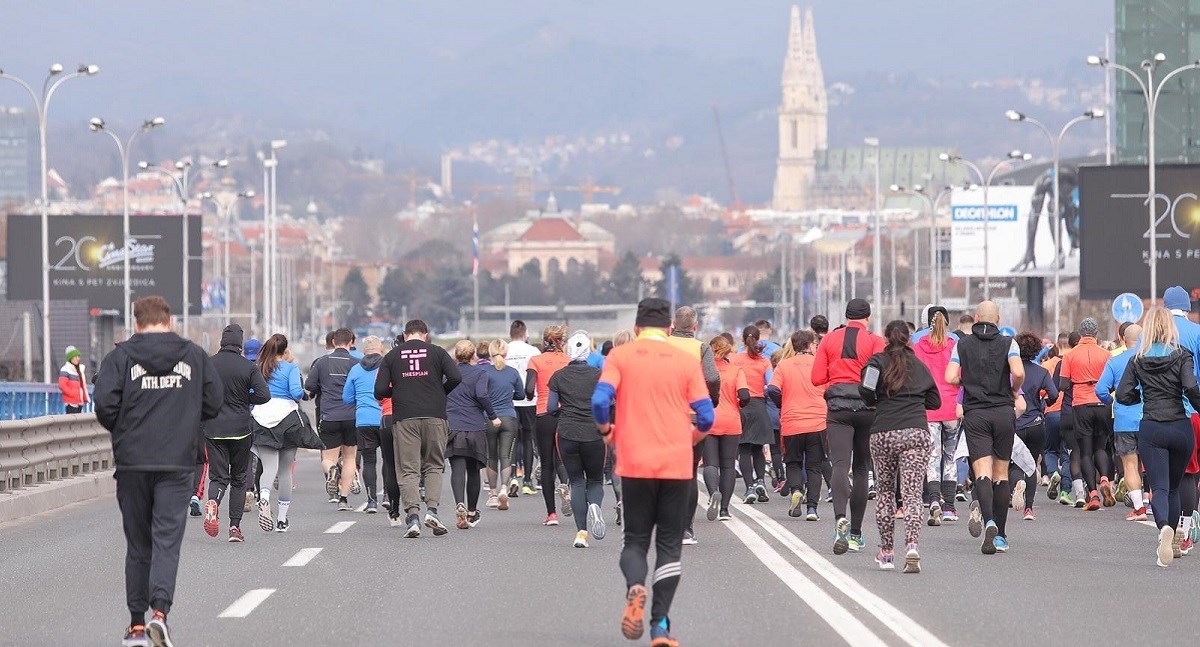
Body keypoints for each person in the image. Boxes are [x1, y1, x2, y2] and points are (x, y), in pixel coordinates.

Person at [94, 296, 223, 647]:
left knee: (138, 543)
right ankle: (160, 615)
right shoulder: (194, 356)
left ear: (137, 323)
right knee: (166, 539)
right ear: (169, 321)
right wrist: (184, 419)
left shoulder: (119, 357)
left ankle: (135, 625)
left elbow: (104, 405)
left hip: (133, 462)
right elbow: (214, 401)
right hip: (177, 461)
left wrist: (124, 431)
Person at [591, 298, 714, 647]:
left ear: (638, 327)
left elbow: (600, 402)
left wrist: (607, 433)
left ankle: (635, 587)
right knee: (670, 545)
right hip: (676, 463)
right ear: (670, 327)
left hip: (634, 461)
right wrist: (687, 439)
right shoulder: (686, 359)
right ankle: (660, 625)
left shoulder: (621, 356)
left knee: (635, 541)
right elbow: (706, 416)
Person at [1116, 307, 1200, 567]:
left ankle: (1163, 526)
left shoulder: (1137, 359)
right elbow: (1190, 386)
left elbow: (1123, 394)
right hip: (1180, 426)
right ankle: (1173, 534)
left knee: (1159, 487)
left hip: (1152, 426)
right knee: (1175, 486)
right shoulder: (1182, 355)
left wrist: (1140, 397)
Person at [860, 320, 940, 573]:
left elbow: (866, 390)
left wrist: (878, 400)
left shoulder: (875, 362)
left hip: (883, 431)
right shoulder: (920, 366)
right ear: (909, 339)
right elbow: (935, 401)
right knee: (913, 494)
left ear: (885, 338)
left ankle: (886, 552)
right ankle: (912, 547)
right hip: (916, 432)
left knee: (884, 492)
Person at [945, 301, 1024, 555]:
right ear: (998, 319)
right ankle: (1000, 535)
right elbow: (1019, 372)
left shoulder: (962, 343)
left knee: (982, 473)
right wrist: (1013, 389)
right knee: (1001, 473)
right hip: (1003, 412)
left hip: (975, 413)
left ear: (977, 318)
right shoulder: (1008, 343)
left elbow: (949, 377)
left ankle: (987, 519)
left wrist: (964, 380)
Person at [374, 319, 462, 538]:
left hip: (405, 417)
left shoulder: (392, 356)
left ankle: (412, 517)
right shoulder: (438, 352)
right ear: (425, 334)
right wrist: (440, 392)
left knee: (408, 469)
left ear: (404, 335)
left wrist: (399, 393)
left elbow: (380, 389)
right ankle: (432, 510)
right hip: (435, 415)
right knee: (433, 465)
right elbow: (456, 377)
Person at [811, 298, 885, 555]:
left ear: (845, 316)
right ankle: (855, 533)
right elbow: (881, 376)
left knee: (840, 464)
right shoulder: (876, 341)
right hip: (867, 408)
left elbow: (816, 378)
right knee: (863, 468)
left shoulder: (830, 340)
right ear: (868, 317)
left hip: (838, 408)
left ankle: (839, 520)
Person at [202, 324, 270, 542]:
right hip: (240, 428)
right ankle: (234, 528)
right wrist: (245, 398)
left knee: (218, 476)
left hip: (213, 428)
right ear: (240, 345)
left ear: (221, 342)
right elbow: (264, 395)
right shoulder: (247, 367)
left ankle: (213, 501)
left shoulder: (208, 365)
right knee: (239, 478)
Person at [666, 306, 720, 546]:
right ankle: (686, 529)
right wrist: (712, 399)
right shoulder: (701, 347)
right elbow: (713, 377)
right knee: (688, 473)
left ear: (673, 325)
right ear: (695, 326)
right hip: (692, 417)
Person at [550, 331, 606, 547]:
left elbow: (550, 407)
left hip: (567, 433)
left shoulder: (558, 376)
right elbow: (608, 403)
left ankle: (581, 533)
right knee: (595, 480)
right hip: (594, 433)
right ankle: (594, 505)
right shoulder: (599, 374)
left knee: (576, 481)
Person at [768, 330, 828, 520]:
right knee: (814, 466)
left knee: (793, 462)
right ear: (810, 345)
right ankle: (812, 509)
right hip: (817, 422)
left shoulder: (784, 366)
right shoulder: (820, 365)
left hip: (792, 421)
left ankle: (796, 490)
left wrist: (782, 403)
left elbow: (772, 389)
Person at [251, 334, 307, 534]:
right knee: (284, 471)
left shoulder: (260, 368)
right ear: (285, 350)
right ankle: (282, 520)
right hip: (287, 420)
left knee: (268, 467)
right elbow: (296, 392)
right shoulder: (291, 368)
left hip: (262, 417)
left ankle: (263, 497)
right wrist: (303, 392)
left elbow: (252, 392)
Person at [913, 307, 961, 524]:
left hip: (929, 407)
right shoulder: (955, 345)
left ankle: (933, 500)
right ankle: (950, 507)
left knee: (932, 456)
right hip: (951, 407)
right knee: (950, 456)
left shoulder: (918, 346)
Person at [1059, 317, 1113, 511]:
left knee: (1085, 452)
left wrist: (1077, 382)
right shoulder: (1107, 355)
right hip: (1103, 403)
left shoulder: (1070, 355)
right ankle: (1105, 479)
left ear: (1081, 334)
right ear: (1096, 333)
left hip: (1081, 403)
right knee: (1101, 448)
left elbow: (1063, 385)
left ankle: (1093, 494)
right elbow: (1112, 382)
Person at [444, 339, 498, 530]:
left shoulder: (447, 375)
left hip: (453, 426)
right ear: (473, 354)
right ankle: (472, 512)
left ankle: (459, 503)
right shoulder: (480, 373)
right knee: (474, 470)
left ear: (456, 356)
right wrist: (493, 416)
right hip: (475, 426)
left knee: (457, 468)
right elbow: (482, 395)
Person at [306, 327, 361, 511]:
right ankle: (344, 500)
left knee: (328, 457)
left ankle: (331, 470)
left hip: (329, 415)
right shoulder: (356, 363)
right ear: (351, 343)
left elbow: (310, 385)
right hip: (351, 415)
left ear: (334, 342)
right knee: (350, 457)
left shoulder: (322, 363)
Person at [1097, 324, 1147, 521]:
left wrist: (1114, 402)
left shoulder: (1115, 361)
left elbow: (1101, 390)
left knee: (1130, 464)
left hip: (1125, 419)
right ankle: (1155, 500)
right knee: (1153, 463)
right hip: (1151, 417)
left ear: (1123, 340)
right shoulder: (1150, 359)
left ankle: (1139, 508)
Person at [1163, 286, 1200, 549]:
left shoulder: (1155, 333)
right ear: (1187, 307)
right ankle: (1186, 530)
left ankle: (1169, 526)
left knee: (1165, 477)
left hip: (1157, 414)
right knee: (1189, 473)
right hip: (1193, 411)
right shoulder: (1197, 332)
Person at [526, 325, 572, 525]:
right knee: (562, 457)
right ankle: (565, 484)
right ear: (562, 341)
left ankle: (551, 514)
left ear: (545, 340)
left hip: (544, 413)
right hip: (565, 413)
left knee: (546, 464)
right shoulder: (568, 362)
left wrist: (534, 393)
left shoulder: (535, 360)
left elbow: (528, 390)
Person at [1012, 332, 1058, 520]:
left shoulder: (1011, 371)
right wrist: (1043, 402)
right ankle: (1029, 509)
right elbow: (1054, 394)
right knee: (1031, 464)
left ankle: (1016, 485)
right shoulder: (1041, 372)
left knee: (1013, 463)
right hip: (1036, 423)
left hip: (1015, 421)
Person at [343, 335, 387, 515]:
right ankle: (388, 497)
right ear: (381, 349)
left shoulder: (355, 369)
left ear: (363, 351)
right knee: (389, 460)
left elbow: (346, 398)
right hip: (385, 417)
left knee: (368, 461)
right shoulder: (388, 366)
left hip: (363, 420)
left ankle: (371, 501)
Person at [705, 336, 747, 521]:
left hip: (708, 420)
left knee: (710, 463)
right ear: (728, 350)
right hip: (731, 421)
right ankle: (724, 509)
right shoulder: (736, 370)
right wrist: (739, 405)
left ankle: (714, 492)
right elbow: (745, 395)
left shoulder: (703, 371)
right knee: (728, 465)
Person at [479, 339, 523, 511]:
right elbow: (520, 394)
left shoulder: (483, 371)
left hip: (489, 418)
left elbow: (479, 393)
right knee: (506, 455)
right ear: (506, 353)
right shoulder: (512, 372)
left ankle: (492, 494)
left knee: (491, 456)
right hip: (509, 417)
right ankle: (504, 487)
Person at [732, 325, 774, 506]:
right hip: (758, 406)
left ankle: (749, 487)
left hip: (741, 406)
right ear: (758, 340)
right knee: (758, 448)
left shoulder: (734, 359)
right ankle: (761, 482)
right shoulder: (764, 362)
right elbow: (771, 386)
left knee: (743, 449)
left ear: (742, 340)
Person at [507, 320, 541, 496]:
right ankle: (527, 481)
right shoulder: (533, 351)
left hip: (509, 401)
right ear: (525, 333)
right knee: (527, 439)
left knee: (512, 440)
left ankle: (512, 476)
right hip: (529, 400)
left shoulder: (505, 350)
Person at [59, 344, 89, 414]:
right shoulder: (65, 369)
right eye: (75, 357)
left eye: (78, 356)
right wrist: (72, 393)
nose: (77, 358)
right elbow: (62, 385)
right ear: (70, 358)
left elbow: (82, 386)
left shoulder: (80, 370)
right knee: (71, 423)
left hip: (79, 400)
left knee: (78, 423)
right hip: (71, 402)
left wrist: (84, 397)